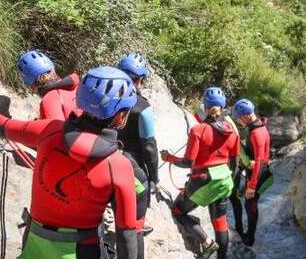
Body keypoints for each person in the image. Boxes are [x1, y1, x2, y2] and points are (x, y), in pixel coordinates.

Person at [0, 66, 139, 259]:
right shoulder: (118, 167)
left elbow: (3, 126)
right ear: (120, 116)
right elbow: (127, 234)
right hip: (83, 250)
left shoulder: (49, 130)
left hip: (34, 242)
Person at [161, 87, 240, 259]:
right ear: (223, 106)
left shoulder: (198, 131)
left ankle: (206, 242)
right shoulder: (232, 132)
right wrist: (229, 182)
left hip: (202, 181)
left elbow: (187, 162)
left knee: (177, 211)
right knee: (220, 222)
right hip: (224, 180)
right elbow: (235, 163)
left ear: (205, 106)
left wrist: (169, 158)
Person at [117, 53, 159, 239]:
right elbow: (149, 148)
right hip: (132, 168)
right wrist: (154, 178)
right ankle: (139, 226)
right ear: (141, 79)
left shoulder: (104, 95)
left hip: (107, 158)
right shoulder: (143, 108)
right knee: (135, 225)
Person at [229, 99, 273, 247]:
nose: (238, 121)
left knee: (250, 203)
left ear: (246, 116)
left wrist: (252, 186)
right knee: (249, 203)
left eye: (238, 118)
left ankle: (250, 238)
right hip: (256, 170)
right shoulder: (258, 127)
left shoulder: (257, 133)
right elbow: (256, 155)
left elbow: (259, 160)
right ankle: (249, 235)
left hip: (258, 173)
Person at [18, 50, 81, 120]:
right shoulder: (78, 87)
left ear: (32, 86)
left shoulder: (49, 100)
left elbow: (56, 129)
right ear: (53, 70)